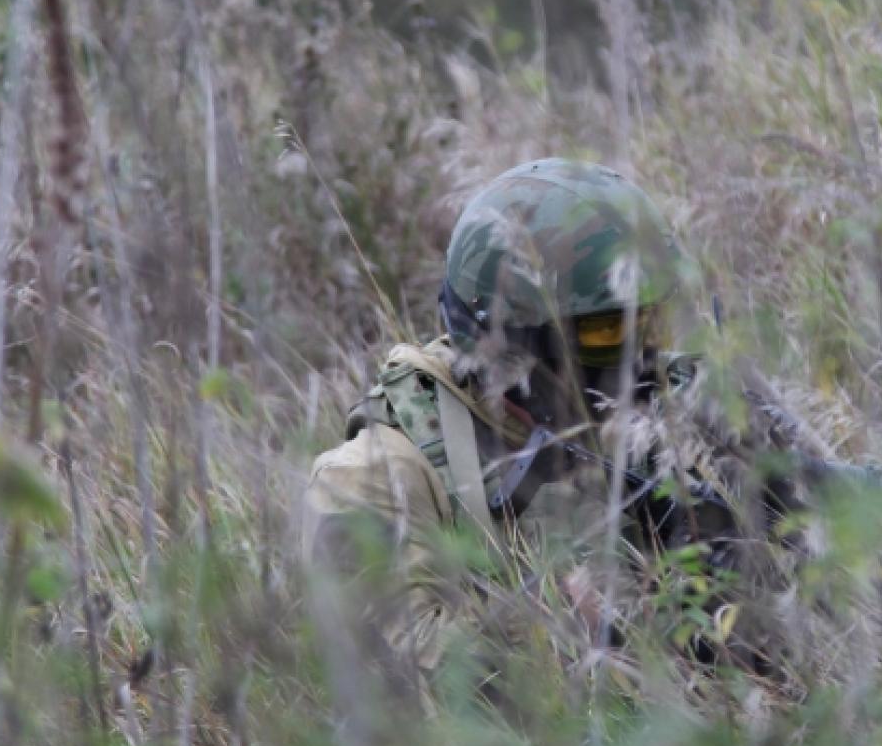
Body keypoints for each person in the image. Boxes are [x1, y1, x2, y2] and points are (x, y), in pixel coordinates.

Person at [300, 157, 843, 689]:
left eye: (651, 322)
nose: (642, 356)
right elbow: (398, 687)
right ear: (513, 342)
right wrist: (574, 620)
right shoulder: (371, 477)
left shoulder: (678, 411)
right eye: (607, 333)